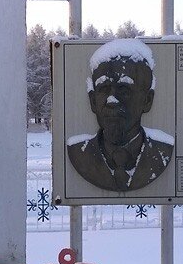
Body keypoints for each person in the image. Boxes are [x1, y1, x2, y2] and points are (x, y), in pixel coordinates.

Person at [67, 39, 174, 192]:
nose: (112, 100)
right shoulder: (79, 154)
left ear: (147, 100)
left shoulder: (162, 152)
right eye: (104, 89)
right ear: (93, 101)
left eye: (124, 90)